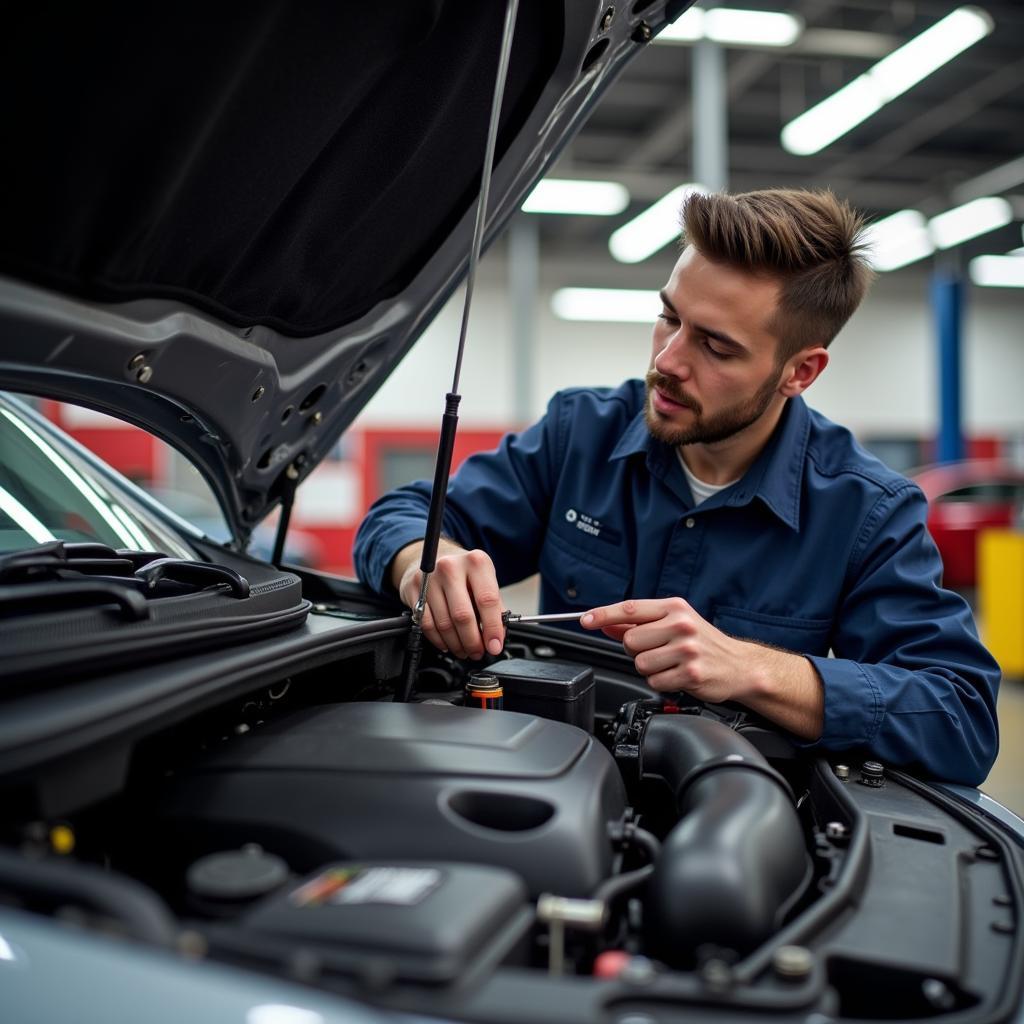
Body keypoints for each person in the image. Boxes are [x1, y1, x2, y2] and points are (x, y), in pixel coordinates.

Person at [354, 188, 1000, 786]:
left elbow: (961, 718)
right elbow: (402, 515)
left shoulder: (865, 512)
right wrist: (422, 563)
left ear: (799, 372)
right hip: (544, 779)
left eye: (715, 347)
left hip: (738, 817)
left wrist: (755, 669)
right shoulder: (580, 433)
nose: (667, 361)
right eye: (669, 317)